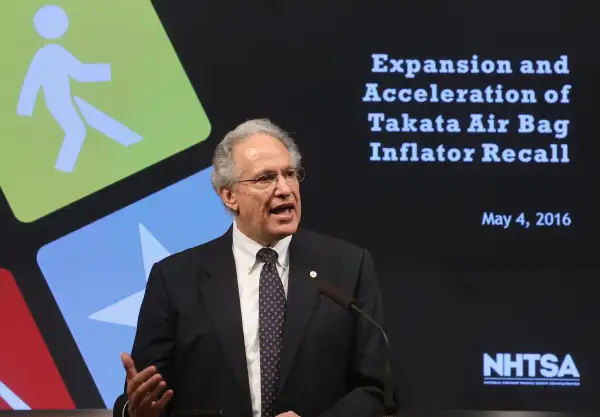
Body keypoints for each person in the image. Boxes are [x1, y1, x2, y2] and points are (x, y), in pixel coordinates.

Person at [114, 119, 391, 417]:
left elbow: (377, 391)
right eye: (265, 178)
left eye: (290, 174)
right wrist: (134, 412)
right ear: (229, 196)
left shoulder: (348, 267)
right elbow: (142, 396)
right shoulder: (174, 280)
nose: (284, 189)